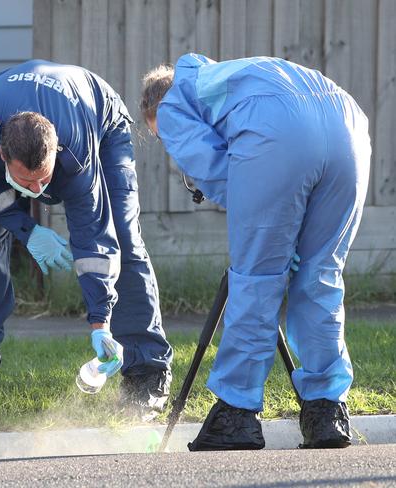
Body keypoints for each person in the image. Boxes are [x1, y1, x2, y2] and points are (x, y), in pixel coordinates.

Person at [140, 54, 370, 449]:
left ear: (156, 108)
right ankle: (326, 411)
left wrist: (276, 229)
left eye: (161, 137)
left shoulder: (173, 102)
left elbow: (221, 173)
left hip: (279, 129)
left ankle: (237, 415)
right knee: (321, 275)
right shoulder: (233, 77)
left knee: (257, 278)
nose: (168, 144)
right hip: (348, 124)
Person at [0, 59, 174, 419]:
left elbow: (94, 236)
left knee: (122, 235)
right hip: (8, 120)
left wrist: (100, 323)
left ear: (55, 153)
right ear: (2, 156)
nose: (39, 192)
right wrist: (27, 229)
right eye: (28, 184)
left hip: (99, 119)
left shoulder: (75, 149)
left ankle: (147, 370)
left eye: (44, 179)